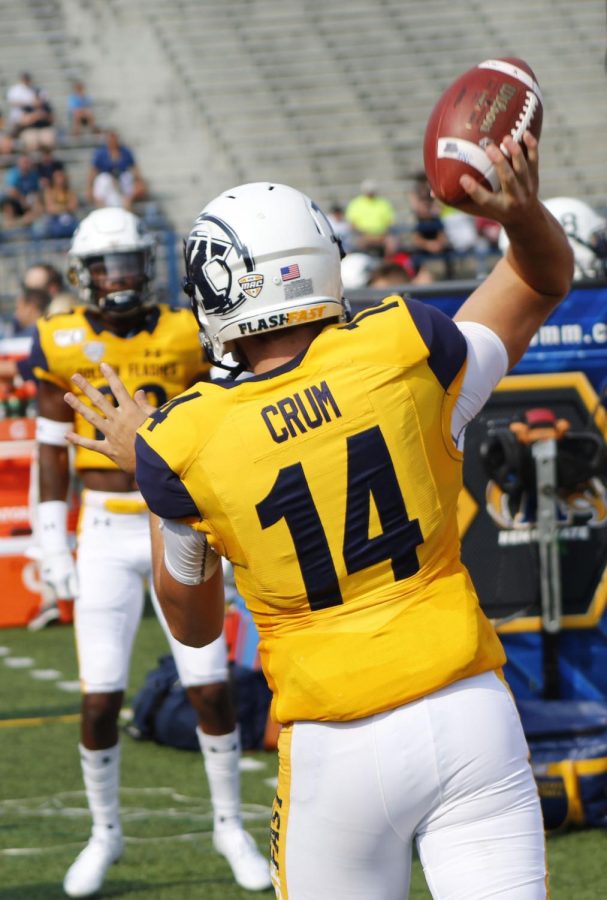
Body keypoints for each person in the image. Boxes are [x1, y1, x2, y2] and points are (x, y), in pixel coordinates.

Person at [64, 133, 574, 899]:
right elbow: (537, 282)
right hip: (468, 710)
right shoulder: (406, 348)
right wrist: (522, 211)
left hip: (336, 743)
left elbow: (196, 627)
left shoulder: (183, 442)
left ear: (217, 287)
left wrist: (152, 465)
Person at [27, 207, 271, 897]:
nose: (121, 277)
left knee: (211, 685)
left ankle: (230, 824)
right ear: (82, 274)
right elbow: (51, 447)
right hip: (102, 528)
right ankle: (104, 831)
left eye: (131, 261)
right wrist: (52, 536)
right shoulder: (60, 337)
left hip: (176, 521)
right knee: (99, 698)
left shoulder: (184, 328)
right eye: (107, 266)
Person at [87, 129, 147, 210]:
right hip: (107, 182)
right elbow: (93, 171)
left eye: (114, 138)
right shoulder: (101, 153)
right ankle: (102, 210)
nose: (112, 140)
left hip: (122, 180)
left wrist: (139, 182)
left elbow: (134, 169)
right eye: (110, 138)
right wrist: (89, 187)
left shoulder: (125, 152)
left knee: (127, 179)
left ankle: (127, 210)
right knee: (102, 180)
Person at [345, 178, 397, 256]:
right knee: (357, 243)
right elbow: (352, 225)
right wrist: (366, 235)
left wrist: (382, 235)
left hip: (382, 235)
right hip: (363, 235)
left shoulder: (383, 203)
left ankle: (387, 264)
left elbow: (390, 223)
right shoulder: (356, 203)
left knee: (392, 243)